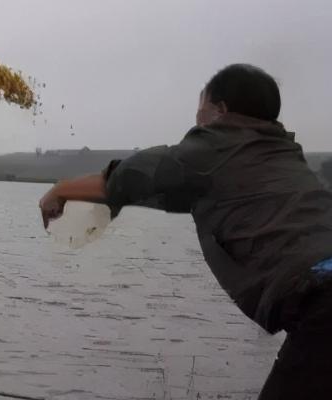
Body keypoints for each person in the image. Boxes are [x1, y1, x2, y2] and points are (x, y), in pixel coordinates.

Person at [39, 64, 332, 399]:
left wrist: (61, 190)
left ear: (220, 111)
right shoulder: (281, 159)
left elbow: (134, 175)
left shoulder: (218, 146)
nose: (197, 121)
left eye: (201, 110)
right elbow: (184, 195)